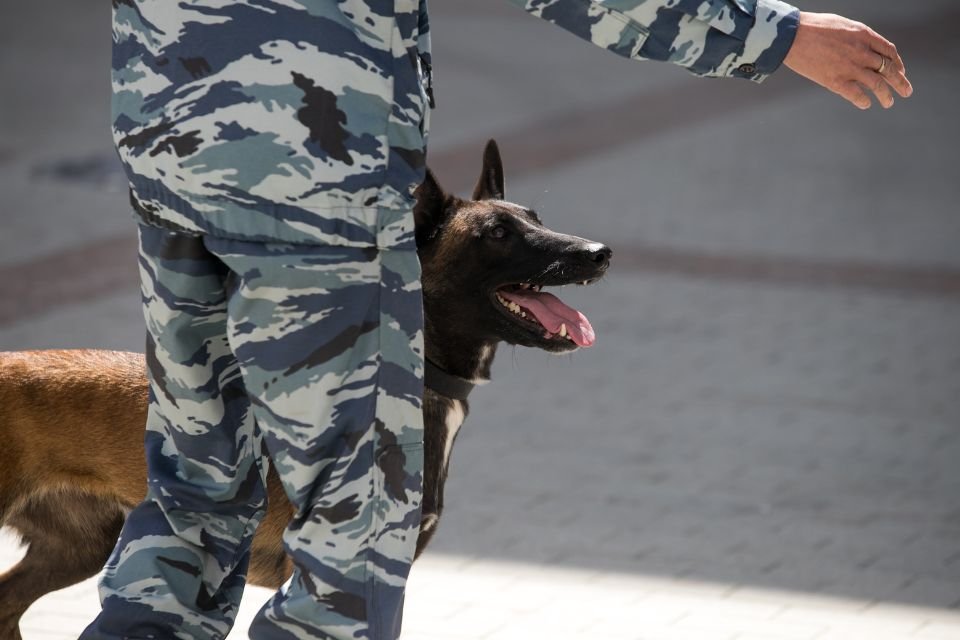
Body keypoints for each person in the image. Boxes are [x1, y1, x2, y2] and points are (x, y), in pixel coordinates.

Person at [81, 1, 912, 639]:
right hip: (316, 171)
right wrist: (770, 33)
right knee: (354, 511)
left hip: (170, 147)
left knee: (193, 481)